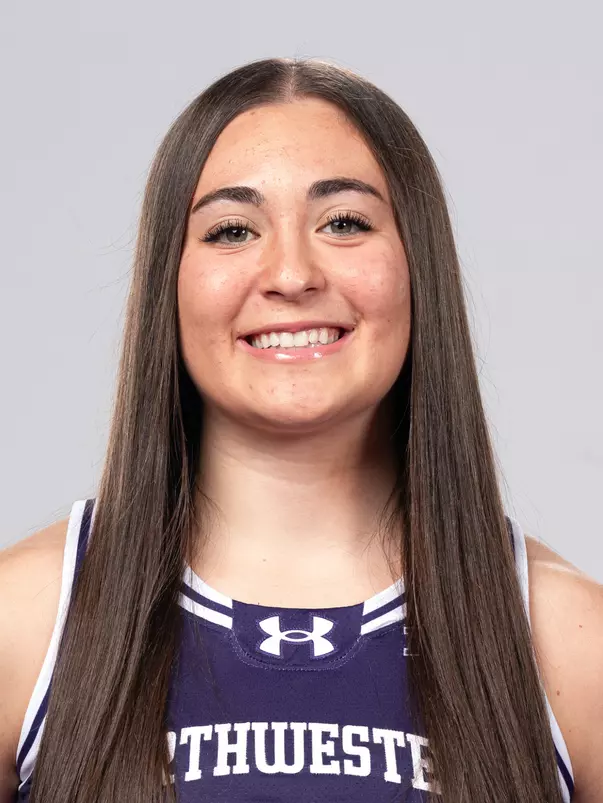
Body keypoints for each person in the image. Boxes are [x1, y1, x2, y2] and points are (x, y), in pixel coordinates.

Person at [0, 56, 601, 803]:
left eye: (343, 222)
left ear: (419, 267)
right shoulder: (23, 627)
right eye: (230, 230)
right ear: (169, 281)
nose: (290, 273)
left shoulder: (569, 643)